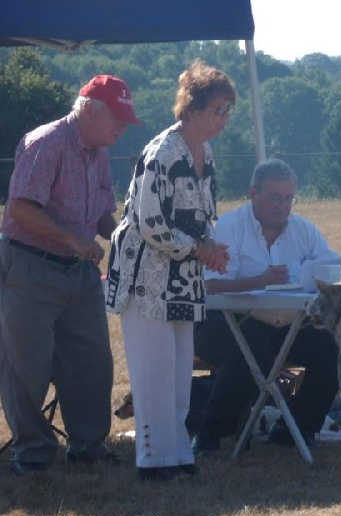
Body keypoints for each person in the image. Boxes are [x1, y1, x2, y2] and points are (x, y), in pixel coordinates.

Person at [0, 74, 140, 475]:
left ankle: (88, 443)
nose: (121, 128)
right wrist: (72, 239)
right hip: (31, 267)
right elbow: (21, 209)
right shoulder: (46, 143)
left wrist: (122, 237)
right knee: (26, 365)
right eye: (117, 119)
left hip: (77, 273)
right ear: (90, 109)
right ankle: (33, 451)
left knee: (92, 360)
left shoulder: (97, 152)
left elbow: (99, 213)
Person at [105, 60, 232, 481]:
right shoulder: (162, 152)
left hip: (184, 280)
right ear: (192, 107)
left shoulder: (205, 153)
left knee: (179, 370)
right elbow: (149, 222)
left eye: (228, 110)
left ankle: (177, 453)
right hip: (147, 279)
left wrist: (209, 248)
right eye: (218, 109)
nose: (224, 118)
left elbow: (205, 213)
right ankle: (153, 459)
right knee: (153, 371)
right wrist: (200, 247)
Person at [190, 158, 340, 455]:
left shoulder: (304, 230)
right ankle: (212, 432)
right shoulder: (228, 228)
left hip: (287, 324)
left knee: (331, 346)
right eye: (274, 197)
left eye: (288, 198)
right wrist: (257, 281)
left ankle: (296, 427)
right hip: (222, 322)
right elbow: (208, 286)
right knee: (251, 348)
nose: (282, 206)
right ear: (253, 194)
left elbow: (331, 269)